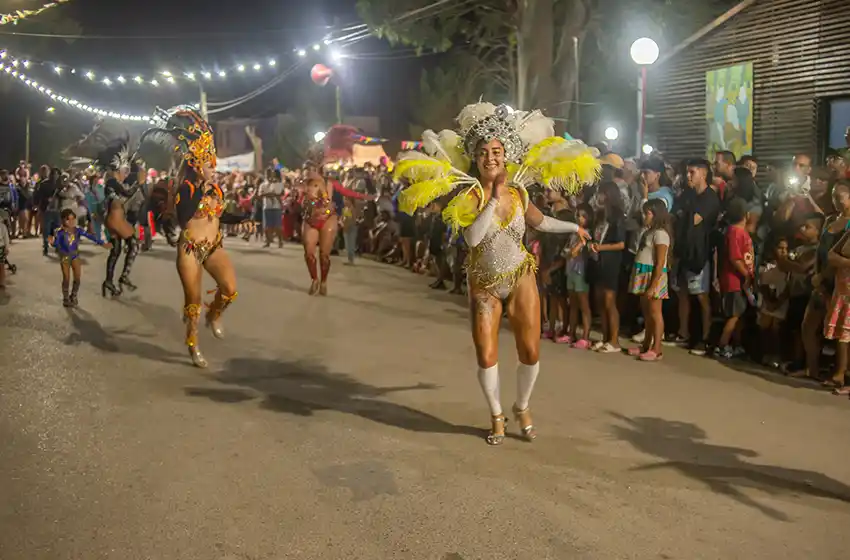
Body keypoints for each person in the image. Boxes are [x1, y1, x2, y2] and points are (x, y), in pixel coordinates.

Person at [395, 103, 599, 445]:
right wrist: (491, 198)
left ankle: (521, 406)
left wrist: (573, 229)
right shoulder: (469, 196)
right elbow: (472, 238)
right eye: (484, 153)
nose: (491, 157)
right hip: (484, 284)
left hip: (520, 276)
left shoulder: (520, 192)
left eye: (497, 151)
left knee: (530, 352)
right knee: (486, 355)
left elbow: (539, 221)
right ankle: (496, 414)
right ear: (475, 159)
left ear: (506, 157)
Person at [139, 106, 243, 368]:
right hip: (190, 250)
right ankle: (193, 344)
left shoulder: (215, 188)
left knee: (230, 290)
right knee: (193, 302)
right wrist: (200, 186)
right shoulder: (185, 188)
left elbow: (220, 215)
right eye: (209, 166)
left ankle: (214, 316)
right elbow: (185, 215)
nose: (214, 169)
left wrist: (243, 219)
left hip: (213, 247)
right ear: (197, 166)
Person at [296, 165, 370, 295]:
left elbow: (346, 192)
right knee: (308, 252)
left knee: (324, 255)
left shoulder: (330, 183)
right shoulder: (304, 185)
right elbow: (301, 202)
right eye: (306, 172)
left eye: (311, 171)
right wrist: (308, 199)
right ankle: (314, 279)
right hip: (310, 219)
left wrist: (364, 196)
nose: (308, 174)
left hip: (328, 219)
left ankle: (323, 281)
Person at [627, 198, 671, 361]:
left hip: (653, 275)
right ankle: (646, 345)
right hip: (643, 273)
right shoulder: (648, 232)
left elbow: (660, 262)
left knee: (655, 313)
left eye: (648, 213)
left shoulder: (661, 234)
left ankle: (657, 348)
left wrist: (653, 285)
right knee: (646, 312)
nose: (645, 216)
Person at [98, 145, 144, 297]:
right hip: (115, 219)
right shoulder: (112, 182)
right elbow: (128, 193)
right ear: (119, 170)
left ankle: (108, 282)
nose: (127, 175)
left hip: (114, 218)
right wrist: (139, 183)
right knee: (134, 244)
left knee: (116, 251)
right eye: (126, 172)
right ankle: (124, 276)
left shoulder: (113, 183)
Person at [715, 198, 755, 359]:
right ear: (746, 214)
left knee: (740, 314)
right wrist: (746, 275)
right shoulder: (734, 232)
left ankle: (737, 344)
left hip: (741, 282)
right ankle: (722, 345)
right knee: (734, 315)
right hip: (735, 280)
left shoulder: (739, 232)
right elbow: (734, 257)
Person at [48, 208, 111, 307]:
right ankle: (65, 297)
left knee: (77, 277)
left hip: (75, 255)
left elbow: (90, 237)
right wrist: (52, 242)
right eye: (68, 219)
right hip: (65, 257)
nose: (71, 222)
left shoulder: (78, 230)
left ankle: (74, 295)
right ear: (63, 220)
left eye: (73, 219)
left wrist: (102, 243)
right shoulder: (60, 232)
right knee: (66, 278)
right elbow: (56, 243)